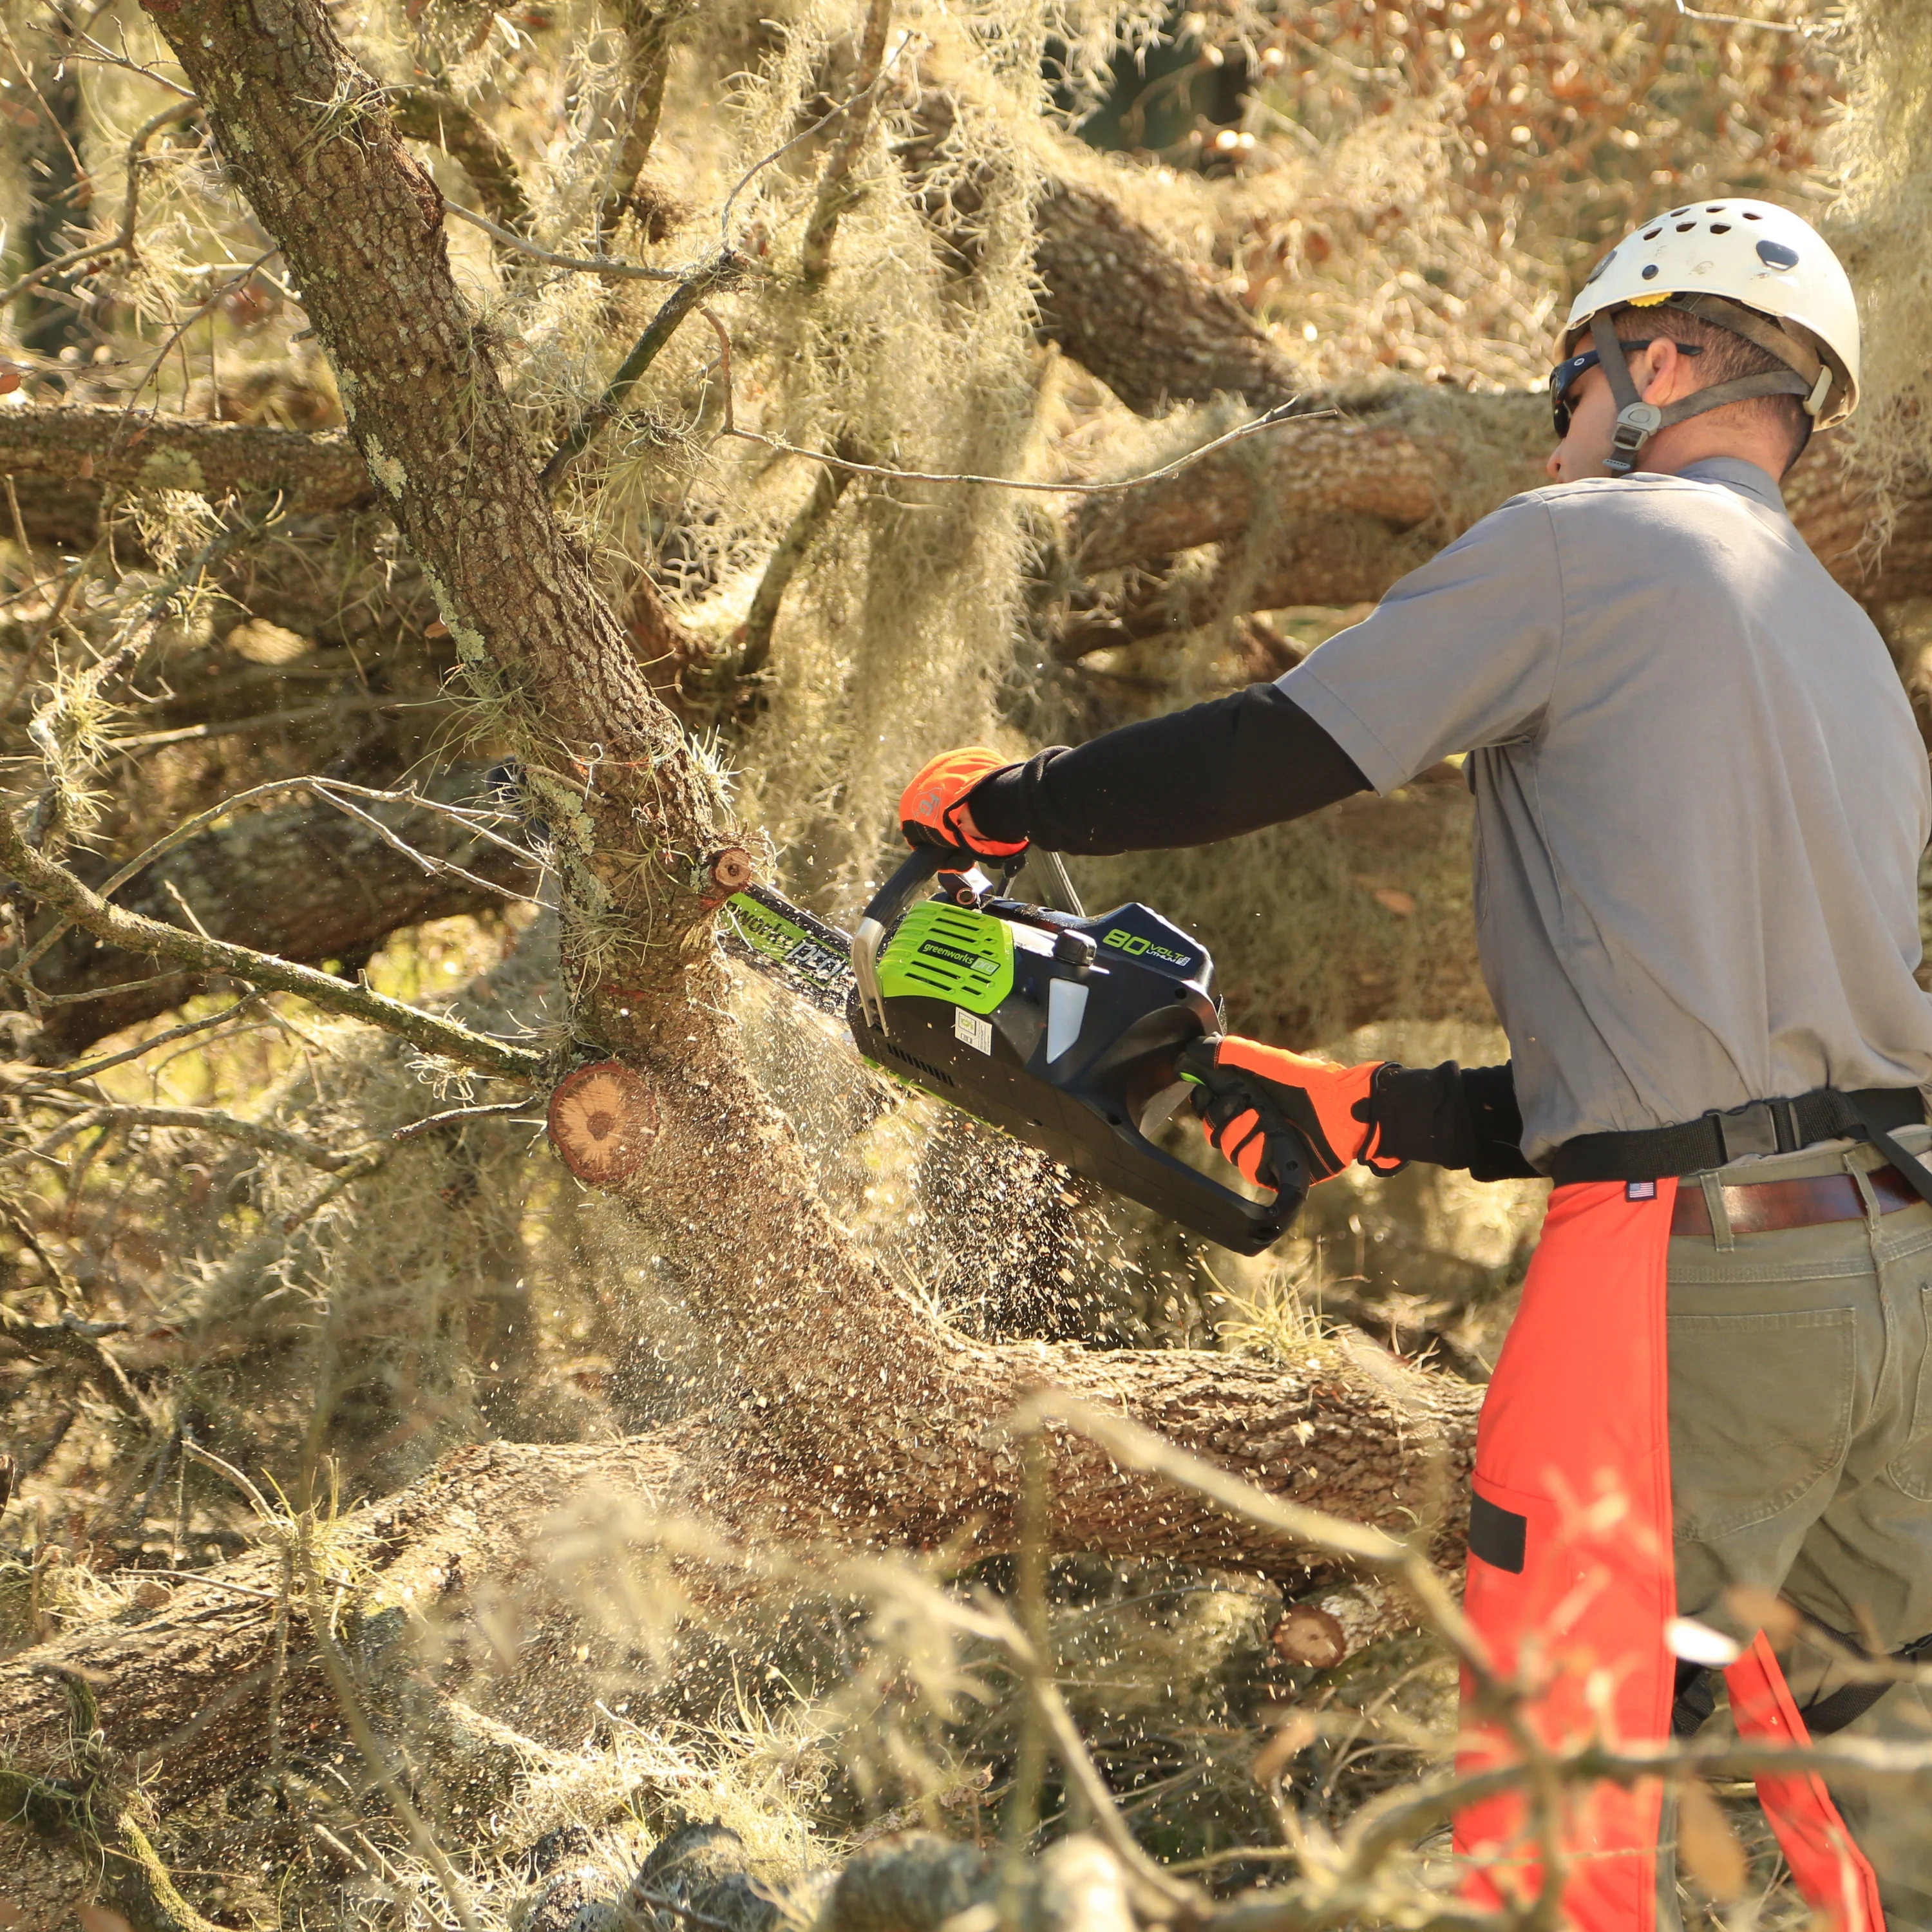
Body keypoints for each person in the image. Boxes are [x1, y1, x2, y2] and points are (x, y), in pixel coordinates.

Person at [898, 200, 1932, 1931]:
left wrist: (1012, 804)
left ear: (1660, 359)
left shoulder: (1588, 545)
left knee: (1562, 1799)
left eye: (1569, 387)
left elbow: (1281, 745)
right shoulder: (1850, 652)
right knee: (1844, 1799)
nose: (1558, 432)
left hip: (1683, 1284)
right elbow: (1747, 1052)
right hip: (1893, 1277)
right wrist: (1388, 1111)